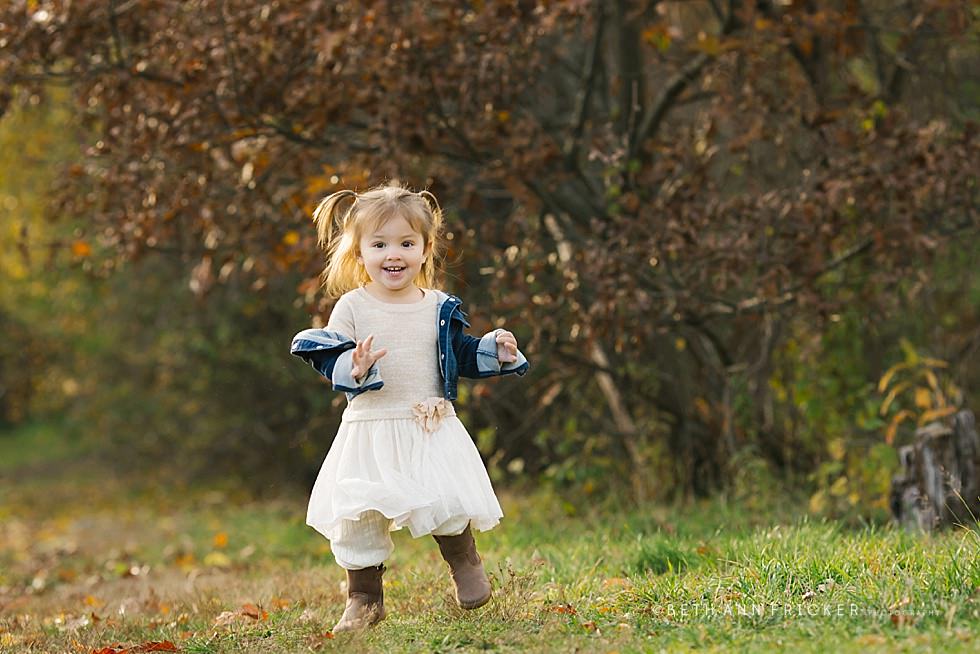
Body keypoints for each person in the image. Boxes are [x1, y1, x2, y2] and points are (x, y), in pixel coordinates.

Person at [290, 184, 529, 633]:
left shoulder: (438, 307)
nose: (392, 254)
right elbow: (332, 355)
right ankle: (363, 598)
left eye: (405, 243)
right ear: (359, 253)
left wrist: (496, 350)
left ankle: (465, 563)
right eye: (378, 245)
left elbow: (460, 351)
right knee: (358, 513)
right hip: (370, 428)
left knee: (445, 499)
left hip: (428, 424)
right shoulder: (353, 306)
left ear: (425, 249)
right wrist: (353, 365)